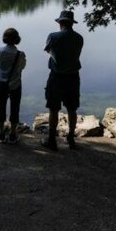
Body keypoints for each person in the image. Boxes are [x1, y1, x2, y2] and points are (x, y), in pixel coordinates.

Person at [42, 10, 83, 151]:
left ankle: (52, 140)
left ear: (60, 23)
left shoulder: (53, 36)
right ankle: (71, 138)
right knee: (72, 109)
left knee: (53, 109)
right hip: (73, 77)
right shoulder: (79, 38)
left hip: (56, 77)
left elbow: (47, 50)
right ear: (72, 23)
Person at [0, 28, 27, 144]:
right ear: (17, 39)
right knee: (15, 108)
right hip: (15, 84)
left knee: (0, 108)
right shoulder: (20, 54)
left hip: (1, 84)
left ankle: (2, 134)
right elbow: (22, 68)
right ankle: (13, 134)